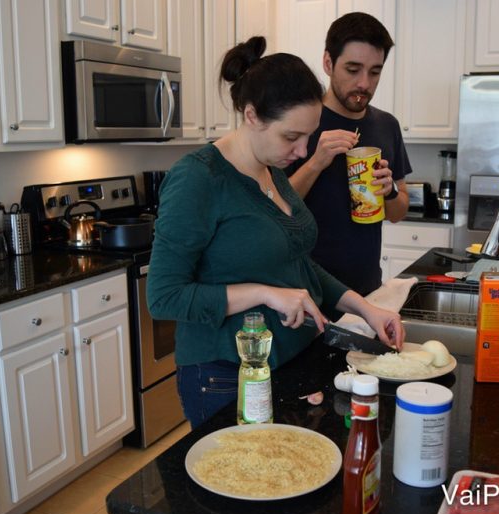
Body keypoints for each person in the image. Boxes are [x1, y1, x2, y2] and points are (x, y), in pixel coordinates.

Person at [147, 36, 405, 429]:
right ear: (252, 116)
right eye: (291, 137)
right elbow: (163, 297)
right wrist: (265, 294)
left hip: (288, 363)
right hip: (226, 376)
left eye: (309, 136)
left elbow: (298, 264)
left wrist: (365, 308)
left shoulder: (272, 170)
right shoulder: (199, 179)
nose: (303, 151)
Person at [286, 12, 411, 296]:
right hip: (305, 292)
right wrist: (316, 163)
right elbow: (273, 208)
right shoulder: (299, 122)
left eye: (375, 71)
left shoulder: (386, 125)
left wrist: (388, 189)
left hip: (367, 290)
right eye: (353, 69)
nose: (365, 83)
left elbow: (398, 212)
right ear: (328, 63)